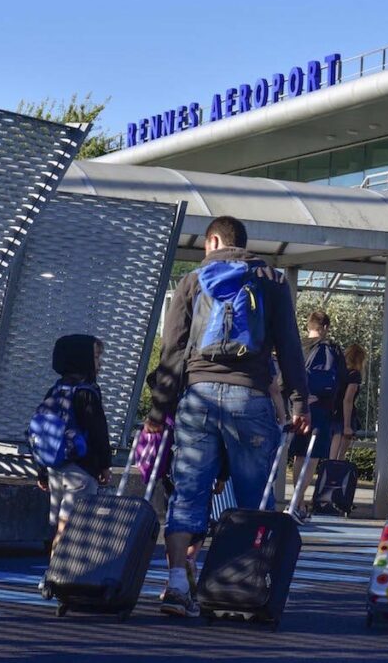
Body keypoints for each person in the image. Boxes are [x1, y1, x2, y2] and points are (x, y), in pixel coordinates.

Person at [145, 215, 309, 618]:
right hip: (250, 399)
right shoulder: (270, 280)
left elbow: (172, 353)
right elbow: (289, 344)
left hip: (198, 398)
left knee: (189, 494)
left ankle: (177, 586)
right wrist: (298, 403)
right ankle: (245, 589)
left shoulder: (193, 280)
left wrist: (158, 411)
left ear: (214, 240)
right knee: (256, 500)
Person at [36, 335, 111, 554]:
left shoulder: (55, 390)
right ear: (83, 360)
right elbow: (98, 432)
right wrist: (104, 464)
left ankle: (55, 571)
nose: (100, 364)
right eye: (97, 357)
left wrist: (42, 471)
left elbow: (42, 433)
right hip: (81, 470)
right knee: (68, 527)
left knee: (60, 525)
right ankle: (56, 574)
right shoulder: (87, 393)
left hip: (55, 468)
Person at [289, 310, 344, 523]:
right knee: (312, 456)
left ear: (308, 326)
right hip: (319, 408)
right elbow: (339, 379)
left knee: (299, 455)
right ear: (326, 327)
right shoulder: (330, 349)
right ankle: (298, 502)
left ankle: (298, 501)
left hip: (297, 406)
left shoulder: (296, 346)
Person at [329, 344, 367, 460]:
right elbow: (348, 400)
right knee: (339, 455)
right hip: (344, 417)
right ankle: (335, 474)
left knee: (332, 454)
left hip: (332, 412)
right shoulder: (354, 375)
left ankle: (329, 473)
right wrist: (347, 425)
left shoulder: (337, 372)